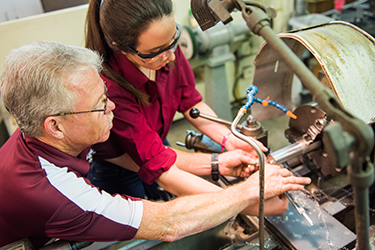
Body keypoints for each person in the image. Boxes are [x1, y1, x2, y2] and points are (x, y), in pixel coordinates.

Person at [0, 41, 311, 249]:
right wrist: (249, 191)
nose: (112, 108)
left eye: (107, 96)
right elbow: (168, 224)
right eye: (100, 105)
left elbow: (133, 159)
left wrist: (216, 164)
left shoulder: (54, 135)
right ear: (55, 125)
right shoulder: (51, 191)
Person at [85, 0, 271, 200]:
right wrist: (236, 189)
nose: (172, 57)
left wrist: (230, 139)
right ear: (121, 47)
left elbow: (191, 104)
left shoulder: (165, 48)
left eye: (173, 40)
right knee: (143, 223)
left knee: (166, 197)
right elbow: (157, 162)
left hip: (156, 141)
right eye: (156, 52)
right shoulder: (110, 87)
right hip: (118, 169)